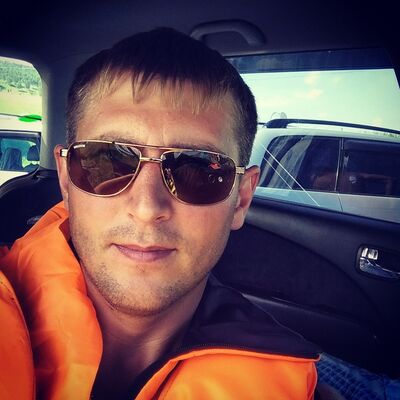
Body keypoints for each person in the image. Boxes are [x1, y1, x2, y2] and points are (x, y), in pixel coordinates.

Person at [0, 28, 319, 400]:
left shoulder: (287, 384)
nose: (147, 208)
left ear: (241, 199)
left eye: (198, 168)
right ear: (67, 182)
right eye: (109, 159)